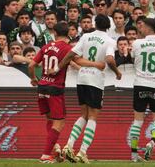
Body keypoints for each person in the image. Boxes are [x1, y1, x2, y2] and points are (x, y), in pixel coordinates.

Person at [28, 22, 104, 163]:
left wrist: (33, 78)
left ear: (55, 33)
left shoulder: (45, 47)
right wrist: (96, 64)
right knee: (59, 123)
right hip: (55, 88)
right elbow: (77, 60)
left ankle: (55, 147)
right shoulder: (67, 48)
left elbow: (31, 65)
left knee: (50, 120)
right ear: (68, 33)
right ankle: (45, 155)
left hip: (42, 86)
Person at [52, 14, 122, 163]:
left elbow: (72, 54)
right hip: (95, 80)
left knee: (83, 114)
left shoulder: (86, 37)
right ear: (109, 26)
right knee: (93, 116)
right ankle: (82, 151)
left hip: (82, 77)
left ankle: (69, 145)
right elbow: (109, 59)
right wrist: (117, 72)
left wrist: (58, 67)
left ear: (95, 24)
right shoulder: (110, 41)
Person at [129, 18, 155, 162]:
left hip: (140, 84)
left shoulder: (136, 43)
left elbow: (132, 58)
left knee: (137, 120)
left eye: (142, 26)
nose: (140, 28)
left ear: (148, 28)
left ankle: (134, 154)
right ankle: (152, 141)